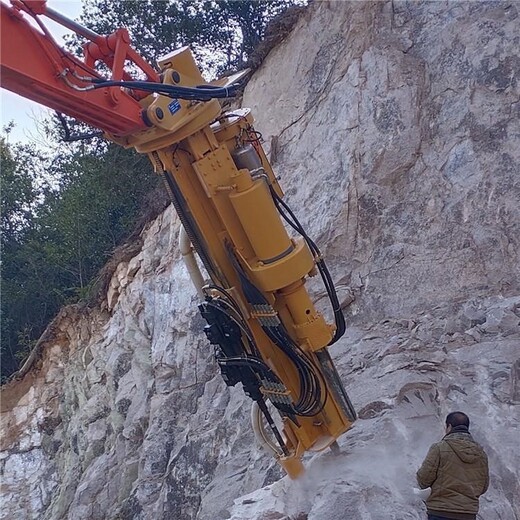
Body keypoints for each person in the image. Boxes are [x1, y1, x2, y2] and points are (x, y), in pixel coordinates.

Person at [416, 411, 489, 520]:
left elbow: (424, 479)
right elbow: (483, 487)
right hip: (468, 514)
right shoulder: (481, 453)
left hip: (441, 512)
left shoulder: (439, 448)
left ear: (449, 426)